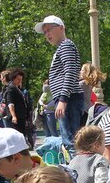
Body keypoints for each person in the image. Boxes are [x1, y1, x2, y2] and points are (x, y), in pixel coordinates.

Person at [35, 15, 84, 154]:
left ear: (61, 28)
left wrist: (63, 100)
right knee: (68, 139)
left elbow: (70, 72)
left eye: (49, 29)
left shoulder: (66, 45)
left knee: (71, 140)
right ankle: (73, 164)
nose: (47, 34)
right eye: (45, 32)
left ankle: (75, 166)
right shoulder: (61, 48)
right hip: (66, 98)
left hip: (69, 99)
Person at [4, 67, 30, 140]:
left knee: (21, 137)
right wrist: (14, 116)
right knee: (17, 138)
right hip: (16, 118)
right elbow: (10, 103)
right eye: (18, 79)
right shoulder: (11, 89)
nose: (20, 81)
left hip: (21, 117)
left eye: (21, 79)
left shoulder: (17, 88)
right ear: (13, 78)